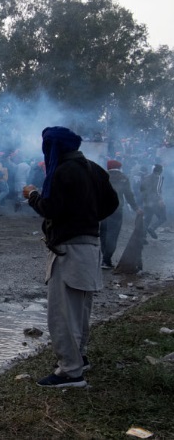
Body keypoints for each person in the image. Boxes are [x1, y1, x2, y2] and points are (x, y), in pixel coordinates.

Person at [24, 126, 118, 388]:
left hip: (69, 250)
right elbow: (112, 203)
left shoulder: (62, 171)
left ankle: (71, 371)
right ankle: (80, 358)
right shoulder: (93, 168)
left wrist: (32, 195)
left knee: (62, 314)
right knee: (80, 309)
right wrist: (87, 218)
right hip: (89, 245)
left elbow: (49, 208)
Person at [100, 160, 141, 269]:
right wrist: (136, 208)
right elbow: (129, 195)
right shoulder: (123, 177)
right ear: (119, 167)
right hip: (116, 210)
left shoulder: (101, 175)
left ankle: (104, 257)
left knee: (103, 234)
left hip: (102, 210)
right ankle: (106, 260)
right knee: (113, 235)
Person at [140, 164, 166, 239]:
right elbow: (158, 190)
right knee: (163, 217)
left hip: (146, 201)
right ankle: (152, 228)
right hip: (155, 201)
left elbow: (141, 189)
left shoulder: (145, 177)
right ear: (160, 171)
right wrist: (160, 199)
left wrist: (144, 200)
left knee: (147, 219)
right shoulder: (159, 178)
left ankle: (143, 237)